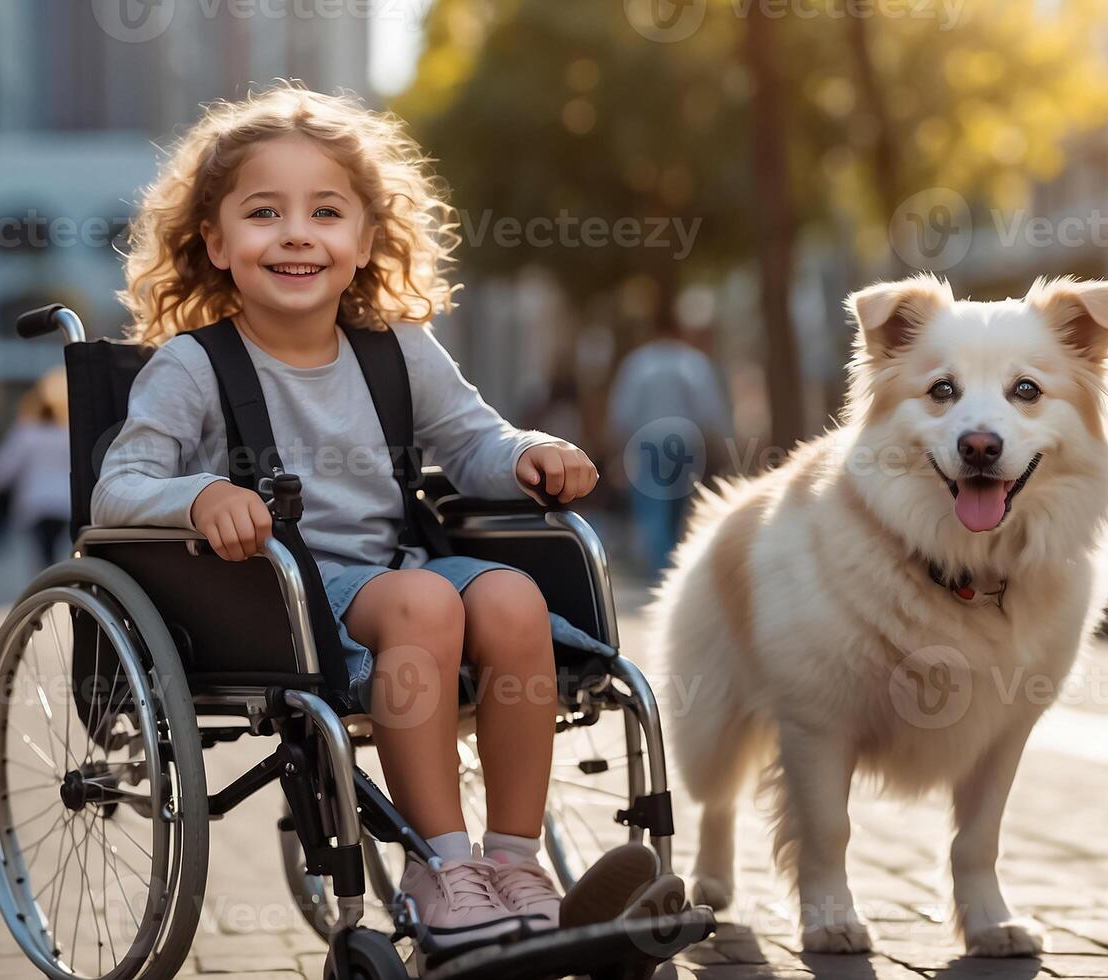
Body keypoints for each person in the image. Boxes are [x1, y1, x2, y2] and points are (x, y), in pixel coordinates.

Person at [91, 84, 671, 939]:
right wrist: (201, 494)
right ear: (215, 241)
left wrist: (526, 454)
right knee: (426, 600)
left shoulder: (397, 351)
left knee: (511, 596)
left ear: (364, 240)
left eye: (325, 211)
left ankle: (512, 862)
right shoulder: (192, 366)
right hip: (269, 597)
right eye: (263, 213)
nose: (296, 233)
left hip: (394, 576)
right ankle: (440, 867)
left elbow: (475, 441)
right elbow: (119, 485)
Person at [606, 324, 731, 580]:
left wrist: (617, 447)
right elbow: (709, 410)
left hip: (647, 441)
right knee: (680, 507)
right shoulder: (693, 361)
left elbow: (623, 411)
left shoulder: (638, 362)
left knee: (653, 506)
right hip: (684, 441)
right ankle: (675, 567)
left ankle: (660, 571)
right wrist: (719, 441)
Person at [0, 371, 73, 569]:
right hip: (63, 502)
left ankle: (47, 586)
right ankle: (53, 581)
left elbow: (6, 463)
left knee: (42, 554)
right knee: (54, 550)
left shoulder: (27, 432)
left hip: (36, 503)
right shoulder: (68, 434)